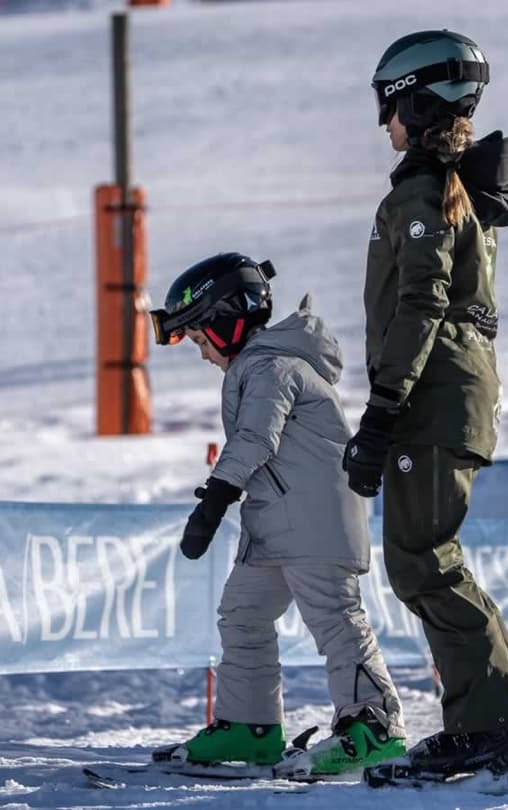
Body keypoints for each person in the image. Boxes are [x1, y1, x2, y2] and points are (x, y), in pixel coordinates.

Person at [343, 30, 508, 776]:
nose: (383, 125)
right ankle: (495, 723)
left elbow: (420, 308)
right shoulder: (452, 194)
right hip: (452, 398)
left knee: (425, 564)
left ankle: (488, 729)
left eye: (388, 109)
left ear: (417, 105)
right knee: (428, 562)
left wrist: (383, 407)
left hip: (431, 400)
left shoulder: (427, 197)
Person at [149, 252, 405, 776]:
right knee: (242, 615)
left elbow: (255, 437)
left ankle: (375, 728)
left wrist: (216, 497)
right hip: (274, 527)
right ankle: (250, 726)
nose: (202, 355)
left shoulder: (273, 367)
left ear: (228, 318)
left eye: (200, 340)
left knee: (334, 619)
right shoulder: (260, 364)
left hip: (313, 522)